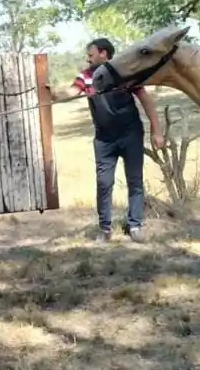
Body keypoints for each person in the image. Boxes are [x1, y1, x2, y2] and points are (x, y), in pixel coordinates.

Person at [48, 38, 165, 242]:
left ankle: (135, 227)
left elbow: (146, 101)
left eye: (91, 54)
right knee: (104, 183)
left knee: (134, 181)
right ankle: (105, 229)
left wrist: (157, 131)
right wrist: (54, 94)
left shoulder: (124, 73)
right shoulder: (86, 76)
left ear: (104, 53)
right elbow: (71, 92)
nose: (88, 57)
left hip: (131, 134)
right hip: (104, 139)